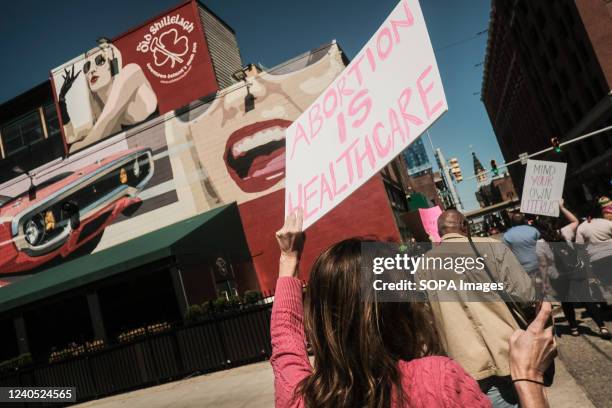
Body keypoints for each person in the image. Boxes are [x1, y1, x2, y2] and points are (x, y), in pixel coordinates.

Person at [271, 209, 556, 408]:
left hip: (469, 363)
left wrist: (288, 258)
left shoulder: (302, 397)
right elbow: (525, 293)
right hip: (510, 359)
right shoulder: (437, 380)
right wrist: (529, 380)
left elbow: (285, 341)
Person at [417, 210, 536, 408]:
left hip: (465, 366)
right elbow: (526, 295)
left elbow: (426, 319)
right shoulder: (491, 247)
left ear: (440, 233)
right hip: (511, 354)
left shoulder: (423, 265)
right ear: (465, 226)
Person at [58, 41, 158, 153]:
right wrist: (62, 101)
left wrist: (75, 147)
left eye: (100, 60)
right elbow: (71, 137)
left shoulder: (130, 72)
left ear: (112, 64)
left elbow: (96, 135)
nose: (92, 70)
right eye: (87, 66)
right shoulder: (102, 113)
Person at [534, 202, 611, 340]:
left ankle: (574, 328)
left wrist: (545, 283)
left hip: (558, 276)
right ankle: (602, 327)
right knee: (587, 299)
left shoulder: (540, 243)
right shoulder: (564, 232)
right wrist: (562, 207)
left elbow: (543, 265)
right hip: (576, 272)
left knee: (567, 303)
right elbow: (575, 221)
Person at [576, 199, 612, 308]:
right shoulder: (607, 223)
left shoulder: (581, 228)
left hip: (597, 260)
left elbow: (580, 248)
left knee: (608, 284)